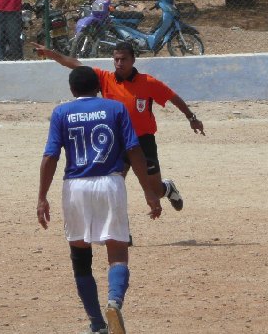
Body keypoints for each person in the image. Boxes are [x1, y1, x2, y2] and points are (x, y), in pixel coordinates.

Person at [37, 66, 161, 334]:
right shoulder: (116, 109)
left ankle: (97, 324)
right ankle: (114, 301)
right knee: (117, 253)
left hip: (75, 186)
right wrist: (148, 192)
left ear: (72, 90)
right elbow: (133, 150)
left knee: (81, 258)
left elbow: (51, 156)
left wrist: (42, 197)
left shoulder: (61, 112)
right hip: (110, 183)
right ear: (99, 87)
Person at [32, 40, 205, 213]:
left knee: (155, 191)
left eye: (123, 59)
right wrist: (50, 54)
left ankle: (167, 188)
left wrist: (191, 117)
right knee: (114, 188)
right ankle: (121, 232)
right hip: (115, 140)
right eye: (116, 59)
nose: (119, 63)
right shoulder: (104, 78)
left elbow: (173, 97)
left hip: (143, 141)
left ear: (133, 60)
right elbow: (76, 65)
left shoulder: (148, 82)